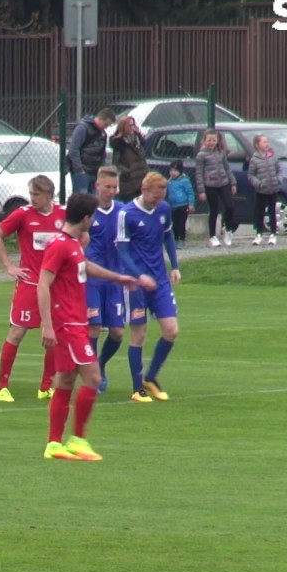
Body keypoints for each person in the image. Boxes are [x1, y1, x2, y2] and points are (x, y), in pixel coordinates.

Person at [38, 192, 150, 460]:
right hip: (68, 324)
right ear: (86, 218)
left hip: (74, 321)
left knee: (65, 380)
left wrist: (118, 278)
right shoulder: (61, 245)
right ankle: (78, 440)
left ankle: (54, 444)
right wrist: (47, 325)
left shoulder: (73, 243)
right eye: (93, 217)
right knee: (93, 377)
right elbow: (43, 283)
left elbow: (84, 267)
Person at [0, 175, 66, 402]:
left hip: (55, 286)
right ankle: (1, 386)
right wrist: (9, 266)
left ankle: (46, 386)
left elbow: (82, 236)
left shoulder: (63, 214)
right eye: (31, 194)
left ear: (49, 195)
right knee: (17, 332)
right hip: (30, 284)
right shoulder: (23, 214)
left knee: (53, 336)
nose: (32, 199)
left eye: (37, 195)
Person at [119, 171, 182, 404]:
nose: (158, 202)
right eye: (155, 198)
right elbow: (122, 252)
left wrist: (174, 266)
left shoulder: (164, 209)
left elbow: (168, 237)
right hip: (136, 284)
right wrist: (138, 276)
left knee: (171, 330)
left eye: (161, 198)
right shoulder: (127, 214)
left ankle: (151, 377)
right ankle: (137, 389)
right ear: (144, 190)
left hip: (160, 281)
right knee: (139, 334)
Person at [84, 166, 127, 394]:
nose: (111, 191)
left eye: (114, 187)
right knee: (93, 327)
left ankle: (100, 364)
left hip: (115, 281)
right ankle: (93, 375)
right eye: (107, 187)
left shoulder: (122, 212)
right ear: (97, 186)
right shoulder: (88, 213)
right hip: (91, 280)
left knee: (118, 333)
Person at [194, 129, 237, 247]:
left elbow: (227, 168)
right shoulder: (201, 155)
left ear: (217, 141)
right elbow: (199, 173)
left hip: (223, 183)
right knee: (214, 210)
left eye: (214, 140)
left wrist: (232, 182)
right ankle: (212, 236)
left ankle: (228, 230)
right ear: (204, 141)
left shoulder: (221, 152)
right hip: (210, 185)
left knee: (230, 206)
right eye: (209, 140)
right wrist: (201, 190)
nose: (211, 142)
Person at [66, 108, 115, 194]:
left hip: (95, 172)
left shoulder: (103, 134)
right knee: (82, 199)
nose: (106, 127)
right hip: (82, 171)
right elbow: (73, 149)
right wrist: (79, 169)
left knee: (94, 200)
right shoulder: (82, 128)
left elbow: (102, 153)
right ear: (101, 119)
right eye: (106, 124)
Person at [247, 134, 282, 246]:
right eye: (264, 142)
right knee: (259, 211)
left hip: (273, 189)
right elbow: (251, 175)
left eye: (267, 142)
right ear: (257, 145)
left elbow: (279, 169)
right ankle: (258, 234)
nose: (267, 144)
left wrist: (278, 179)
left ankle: (273, 234)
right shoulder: (254, 159)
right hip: (261, 190)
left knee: (272, 211)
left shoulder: (273, 156)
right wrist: (258, 183)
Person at [109, 115, 148, 202]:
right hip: (129, 183)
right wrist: (127, 172)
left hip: (141, 180)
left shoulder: (137, 140)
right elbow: (116, 163)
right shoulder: (120, 143)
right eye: (129, 125)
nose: (132, 128)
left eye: (133, 125)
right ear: (124, 127)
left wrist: (139, 134)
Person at [165, 161, 195, 247]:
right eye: (171, 171)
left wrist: (191, 204)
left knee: (181, 223)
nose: (172, 173)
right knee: (174, 224)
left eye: (175, 171)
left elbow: (190, 193)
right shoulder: (169, 182)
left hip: (183, 206)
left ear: (180, 171)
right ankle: (175, 239)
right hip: (173, 206)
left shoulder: (185, 181)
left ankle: (182, 240)